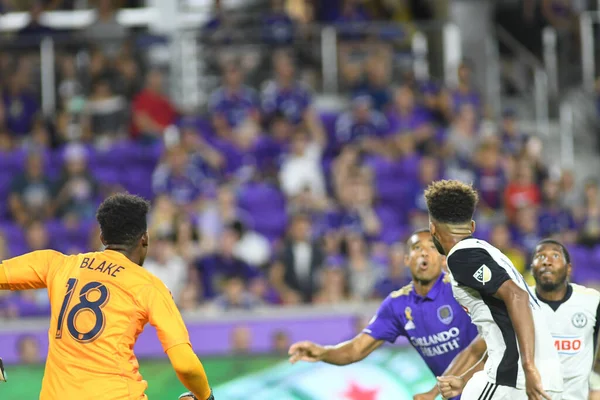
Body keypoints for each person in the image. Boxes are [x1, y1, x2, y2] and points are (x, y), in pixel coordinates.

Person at [0, 193, 214, 400]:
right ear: (145, 239)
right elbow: (185, 365)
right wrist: (206, 396)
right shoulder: (150, 286)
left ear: (102, 237)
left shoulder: (59, 265)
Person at [288, 229, 479, 400]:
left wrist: (434, 392)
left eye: (431, 247)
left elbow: (486, 346)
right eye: (417, 247)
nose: (424, 253)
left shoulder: (462, 290)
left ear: (443, 259)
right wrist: (323, 352)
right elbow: (356, 350)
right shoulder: (397, 305)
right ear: (406, 260)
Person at [424, 180, 563, 400]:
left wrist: (528, 367)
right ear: (472, 227)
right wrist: (466, 378)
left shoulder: (462, 257)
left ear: (432, 229)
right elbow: (500, 332)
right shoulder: (489, 254)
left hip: (515, 379)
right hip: (542, 379)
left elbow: (518, 296)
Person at [438, 239, 600, 400]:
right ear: (532, 268)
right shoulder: (516, 302)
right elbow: (494, 350)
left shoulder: (591, 301)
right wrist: (464, 380)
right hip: (525, 391)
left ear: (569, 268)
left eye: (555, 256)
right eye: (540, 257)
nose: (547, 262)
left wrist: (597, 385)